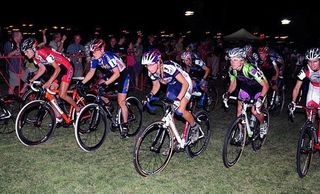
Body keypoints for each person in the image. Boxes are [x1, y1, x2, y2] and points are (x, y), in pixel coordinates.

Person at [142, 49, 200, 143]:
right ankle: (174, 140)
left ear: (158, 62)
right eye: (147, 65)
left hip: (185, 83)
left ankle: (194, 126)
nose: (149, 68)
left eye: (151, 64)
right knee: (168, 111)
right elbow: (156, 85)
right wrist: (150, 95)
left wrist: (178, 99)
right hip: (172, 85)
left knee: (180, 111)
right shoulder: (151, 72)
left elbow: (185, 84)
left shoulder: (168, 68)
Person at [21, 38, 80, 123]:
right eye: (24, 53)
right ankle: (58, 116)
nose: (25, 54)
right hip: (58, 68)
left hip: (66, 67)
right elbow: (42, 69)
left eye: (27, 51)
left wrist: (50, 82)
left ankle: (78, 109)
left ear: (33, 48)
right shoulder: (35, 57)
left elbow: (58, 69)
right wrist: (32, 79)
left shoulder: (42, 52)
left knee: (62, 94)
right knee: (49, 93)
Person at [80, 39, 130, 138]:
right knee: (98, 86)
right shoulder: (95, 58)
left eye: (95, 51)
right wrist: (81, 83)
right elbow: (91, 72)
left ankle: (125, 125)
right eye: (92, 52)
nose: (93, 54)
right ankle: (108, 104)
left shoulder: (108, 57)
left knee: (121, 102)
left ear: (102, 49)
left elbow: (117, 74)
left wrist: (106, 84)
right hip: (112, 73)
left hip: (122, 74)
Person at [223, 48, 269, 138]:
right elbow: (233, 84)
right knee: (239, 110)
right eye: (231, 60)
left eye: (235, 60)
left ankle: (263, 124)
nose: (232, 63)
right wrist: (228, 93)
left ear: (242, 61)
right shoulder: (232, 70)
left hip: (259, 88)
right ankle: (241, 133)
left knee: (254, 111)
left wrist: (260, 99)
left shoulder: (250, 69)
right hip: (246, 87)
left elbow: (265, 86)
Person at [289, 48, 320, 148]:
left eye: (315, 61)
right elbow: (297, 87)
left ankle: (319, 138)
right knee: (310, 115)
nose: (312, 64)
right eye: (310, 61)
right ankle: (311, 136)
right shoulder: (305, 70)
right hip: (313, 89)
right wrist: (293, 102)